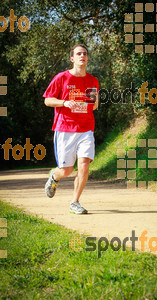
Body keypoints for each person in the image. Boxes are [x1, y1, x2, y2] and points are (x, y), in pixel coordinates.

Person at [43, 44, 99, 214]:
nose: (82, 56)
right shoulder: (61, 78)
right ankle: (54, 176)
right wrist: (65, 103)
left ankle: (75, 201)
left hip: (86, 128)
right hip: (65, 129)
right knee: (66, 171)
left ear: (87, 58)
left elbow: (94, 105)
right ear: (72, 58)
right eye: (78, 54)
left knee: (84, 164)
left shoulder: (92, 80)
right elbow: (47, 100)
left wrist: (90, 103)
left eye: (85, 54)